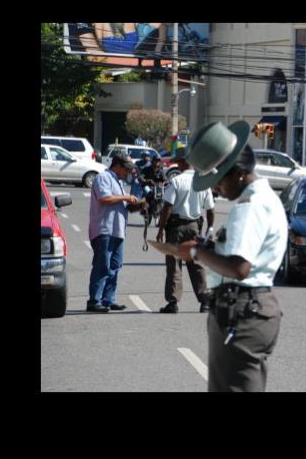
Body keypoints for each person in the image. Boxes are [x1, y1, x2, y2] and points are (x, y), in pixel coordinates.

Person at [174, 120, 288, 392]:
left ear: (236, 173)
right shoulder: (263, 197)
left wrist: (196, 252)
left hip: (242, 310)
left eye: (217, 182)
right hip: (248, 308)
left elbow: (239, 267)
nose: (216, 190)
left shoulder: (251, 206)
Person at [156, 147, 216, 314]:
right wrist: (209, 230)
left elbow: (167, 206)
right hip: (194, 226)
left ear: (183, 163)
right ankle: (205, 302)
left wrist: (161, 228)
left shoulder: (176, 181)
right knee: (197, 265)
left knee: (174, 264)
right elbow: (210, 209)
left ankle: (173, 302)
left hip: (176, 227)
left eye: (179, 162)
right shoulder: (202, 181)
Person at [87, 150, 146, 313]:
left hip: (118, 230)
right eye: (126, 168)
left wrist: (140, 204)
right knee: (102, 266)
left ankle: (108, 299)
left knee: (115, 266)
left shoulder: (118, 182)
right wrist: (127, 197)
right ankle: (94, 301)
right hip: (104, 229)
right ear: (117, 165)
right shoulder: (103, 178)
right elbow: (104, 199)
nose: (127, 172)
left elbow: (122, 205)